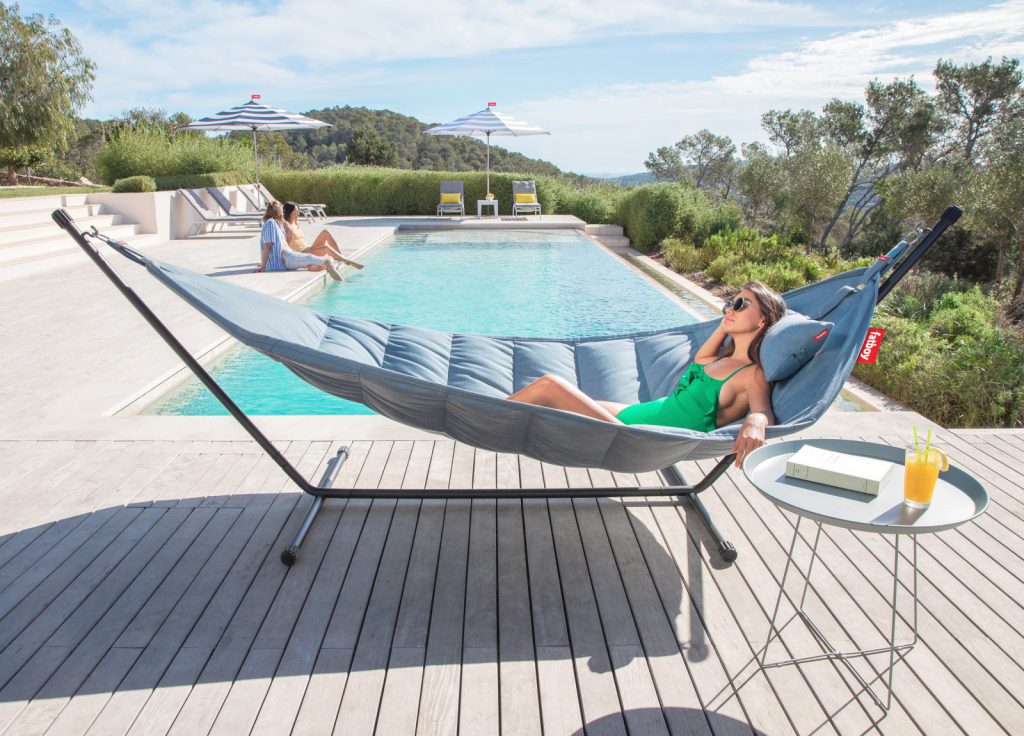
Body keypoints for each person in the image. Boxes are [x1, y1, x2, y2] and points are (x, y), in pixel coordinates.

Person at [508, 282, 787, 466]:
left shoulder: (752, 373)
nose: (730, 308)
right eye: (730, 303)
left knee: (549, 386)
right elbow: (701, 358)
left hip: (636, 436)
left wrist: (755, 421)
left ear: (762, 320)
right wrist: (726, 320)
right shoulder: (718, 359)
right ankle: (494, 410)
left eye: (741, 304)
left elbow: (762, 410)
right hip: (637, 413)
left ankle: (493, 416)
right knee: (552, 400)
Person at [257, 201, 343, 281]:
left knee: (325, 260)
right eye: (281, 210)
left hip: (289, 257)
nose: (283, 213)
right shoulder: (271, 223)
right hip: (286, 258)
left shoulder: (277, 224)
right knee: (327, 261)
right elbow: (267, 246)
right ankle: (343, 283)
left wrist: (307, 266)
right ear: (278, 212)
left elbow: (290, 252)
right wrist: (263, 267)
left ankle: (341, 279)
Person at [281, 202, 364, 270]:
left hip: (309, 249)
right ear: (290, 212)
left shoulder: (296, 223)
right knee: (326, 248)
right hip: (302, 254)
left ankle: (341, 256)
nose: (298, 213)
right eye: (296, 211)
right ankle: (346, 260)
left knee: (325, 232)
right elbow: (286, 245)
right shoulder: (286, 225)